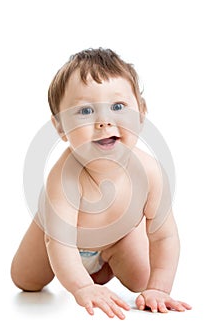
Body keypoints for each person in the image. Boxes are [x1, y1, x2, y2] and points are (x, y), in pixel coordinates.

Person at [11, 48, 191, 319]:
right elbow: (60, 241)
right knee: (25, 281)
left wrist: (159, 289)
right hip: (57, 237)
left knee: (143, 281)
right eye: (85, 110)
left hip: (118, 237)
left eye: (118, 107)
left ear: (141, 114)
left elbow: (165, 236)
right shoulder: (65, 177)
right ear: (60, 127)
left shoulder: (150, 172)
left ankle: (108, 260)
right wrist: (82, 287)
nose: (104, 121)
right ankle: (88, 274)